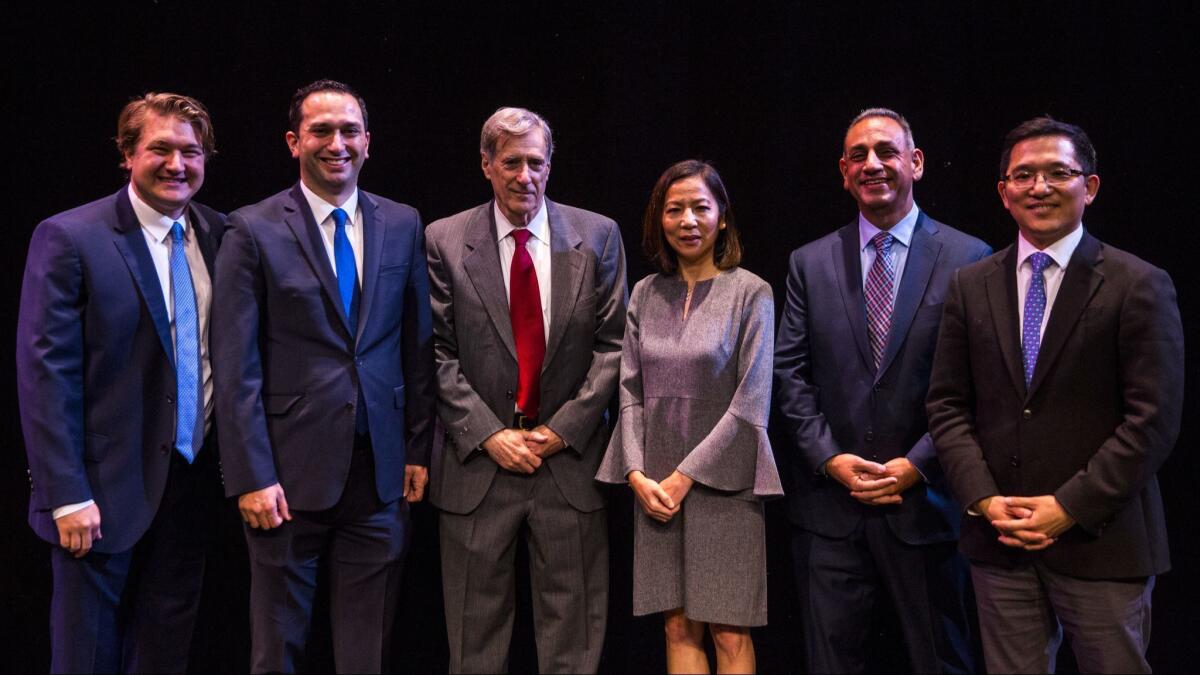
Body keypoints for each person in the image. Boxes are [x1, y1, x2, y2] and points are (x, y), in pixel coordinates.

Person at [927, 116, 1182, 673]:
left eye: (1057, 173)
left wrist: (1068, 507)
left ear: (1089, 186)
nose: (1038, 187)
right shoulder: (971, 285)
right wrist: (984, 500)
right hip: (1001, 541)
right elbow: (946, 405)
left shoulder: (1139, 284)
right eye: (1023, 175)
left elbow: (1153, 421)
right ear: (1003, 192)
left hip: (1103, 541)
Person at [212, 79, 434, 673]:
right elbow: (235, 365)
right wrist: (251, 475)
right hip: (285, 477)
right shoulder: (251, 228)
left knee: (367, 655)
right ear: (294, 141)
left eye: (349, 131)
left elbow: (416, 345)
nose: (337, 143)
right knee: (277, 651)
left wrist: (417, 447)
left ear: (368, 141)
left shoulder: (403, 222)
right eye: (321, 131)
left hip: (380, 474)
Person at [774, 108, 990, 673]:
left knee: (942, 662)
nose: (873, 164)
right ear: (843, 172)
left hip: (928, 506)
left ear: (915, 163)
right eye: (859, 156)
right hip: (830, 512)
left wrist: (918, 464)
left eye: (887, 152)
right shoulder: (808, 262)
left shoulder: (970, 259)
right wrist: (830, 459)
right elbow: (788, 374)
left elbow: (978, 385)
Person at [16, 93, 225, 673]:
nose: (177, 164)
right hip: (97, 494)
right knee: (85, 656)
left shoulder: (220, 234)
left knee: (165, 650)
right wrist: (65, 494)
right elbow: (44, 376)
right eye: (160, 148)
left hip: (190, 484)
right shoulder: (69, 237)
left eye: (191, 151)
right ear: (127, 154)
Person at [425, 106, 626, 673]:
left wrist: (560, 432)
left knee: (574, 644)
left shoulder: (597, 235)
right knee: (475, 645)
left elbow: (614, 347)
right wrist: (490, 435)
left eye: (536, 162)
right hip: (477, 469)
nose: (525, 176)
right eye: (511, 162)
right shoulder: (443, 240)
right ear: (486, 165)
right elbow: (436, 352)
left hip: (569, 468)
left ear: (550, 164)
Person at [596, 159, 782, 673]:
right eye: (674, 209)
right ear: (660, 219)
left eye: (701, 207)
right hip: (655, 490)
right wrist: (636, 475)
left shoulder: (752, 292)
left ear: (722, 216)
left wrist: (684, 478)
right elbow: (629, 391)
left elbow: (751, 404)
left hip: (726, 488)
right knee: (676, 626)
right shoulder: (644, 294)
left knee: (728, 632)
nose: (688, 220)